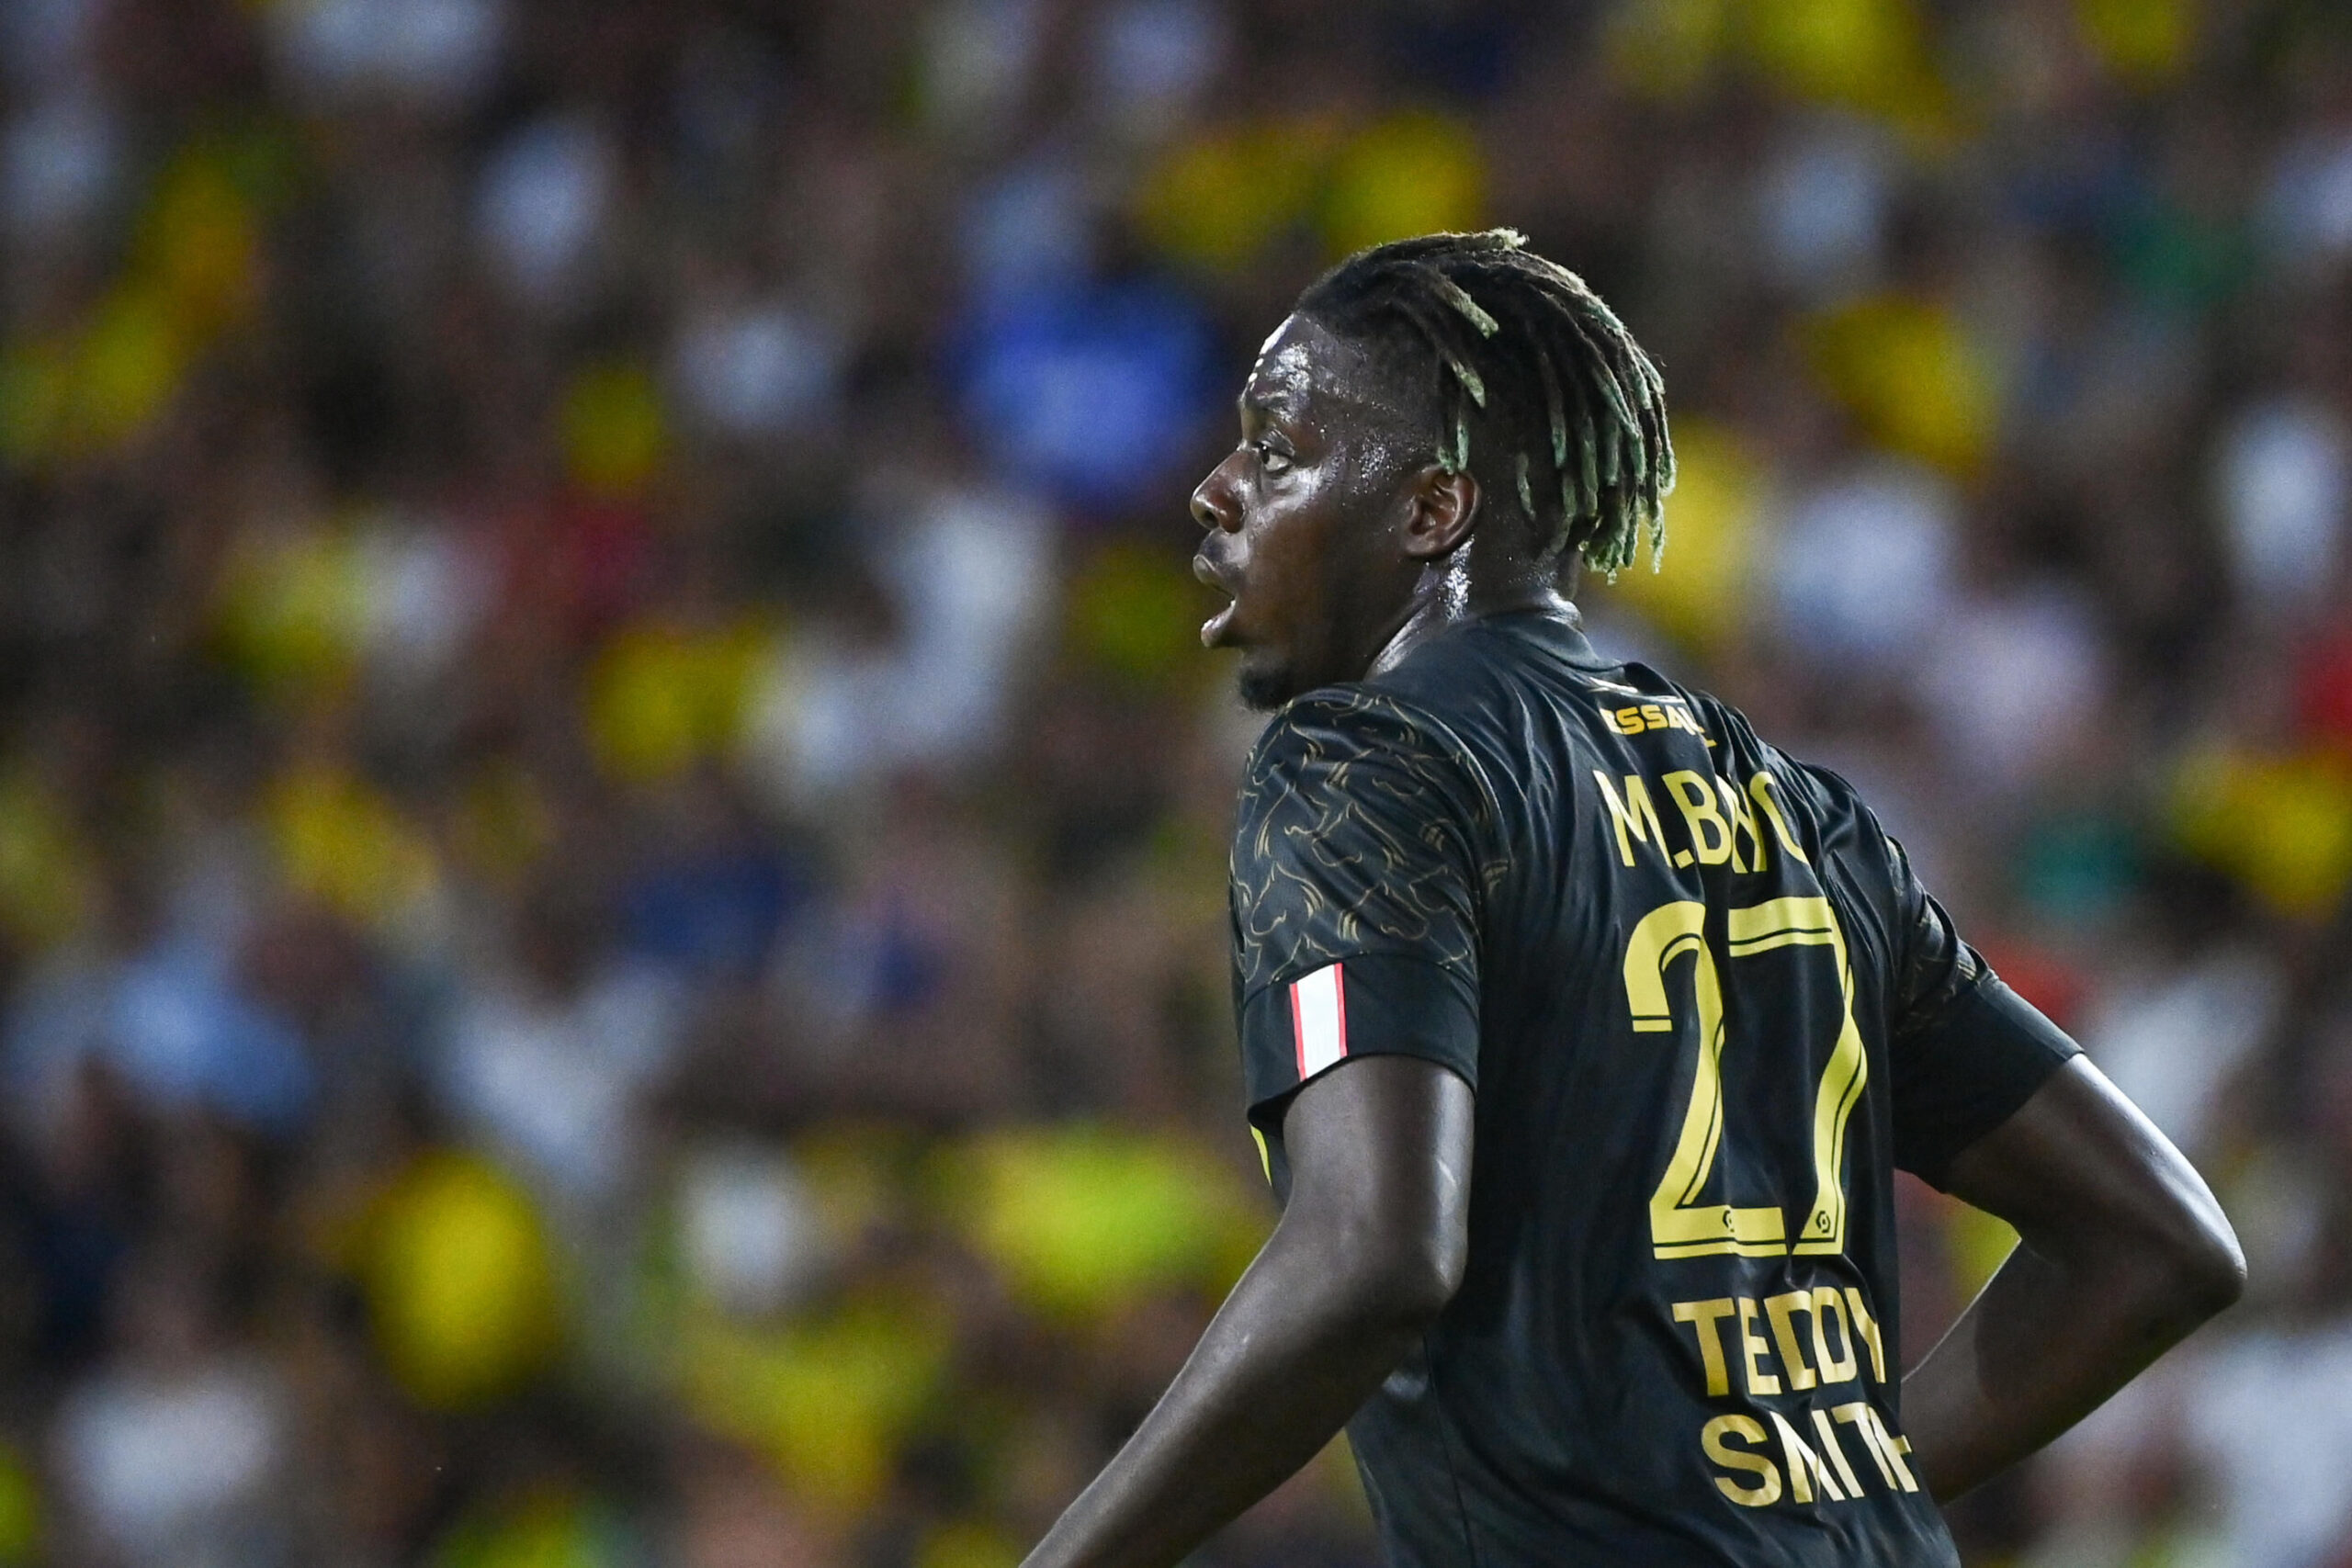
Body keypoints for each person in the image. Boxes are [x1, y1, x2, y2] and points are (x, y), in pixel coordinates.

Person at [1018, 231, 2245, 1568]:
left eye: (1277, 446)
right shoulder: (1797, 805)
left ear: (1434, 510)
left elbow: (1372, 1253)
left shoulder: (1362, 763)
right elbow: (2156, 1242)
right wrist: (1831, 1501)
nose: (1215, 488)